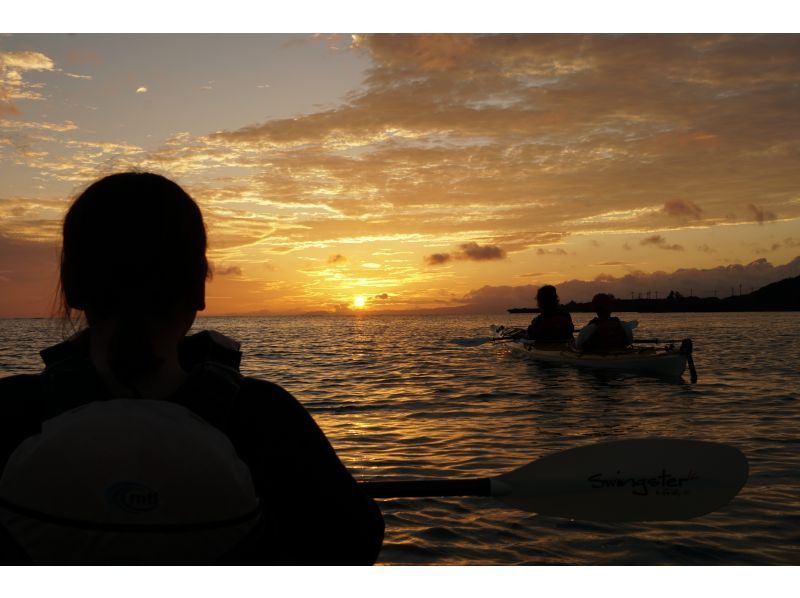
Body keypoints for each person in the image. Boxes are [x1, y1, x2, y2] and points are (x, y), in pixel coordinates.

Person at [0, 172, 384, 564]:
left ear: (73, 285)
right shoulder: (265, 418)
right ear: (199, 287)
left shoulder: (10, 412)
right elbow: (355, 541)